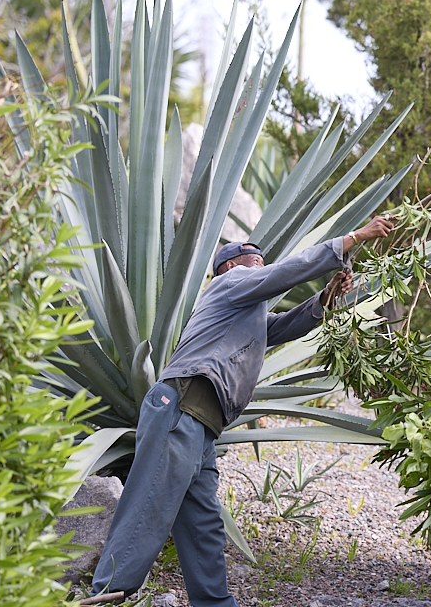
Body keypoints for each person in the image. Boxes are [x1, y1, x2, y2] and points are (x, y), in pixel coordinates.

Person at [88, 216, 395, 607]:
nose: (263, 269)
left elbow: (286, 325)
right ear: (231, 267)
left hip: (200, 426)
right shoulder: (229, 285)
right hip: (180, 409)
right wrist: (351, 239)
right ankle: (103, 596)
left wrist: (326, 298)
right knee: (148, 504)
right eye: (256, 263)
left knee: (203, 527)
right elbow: (284, 273)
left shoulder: (246, 314)